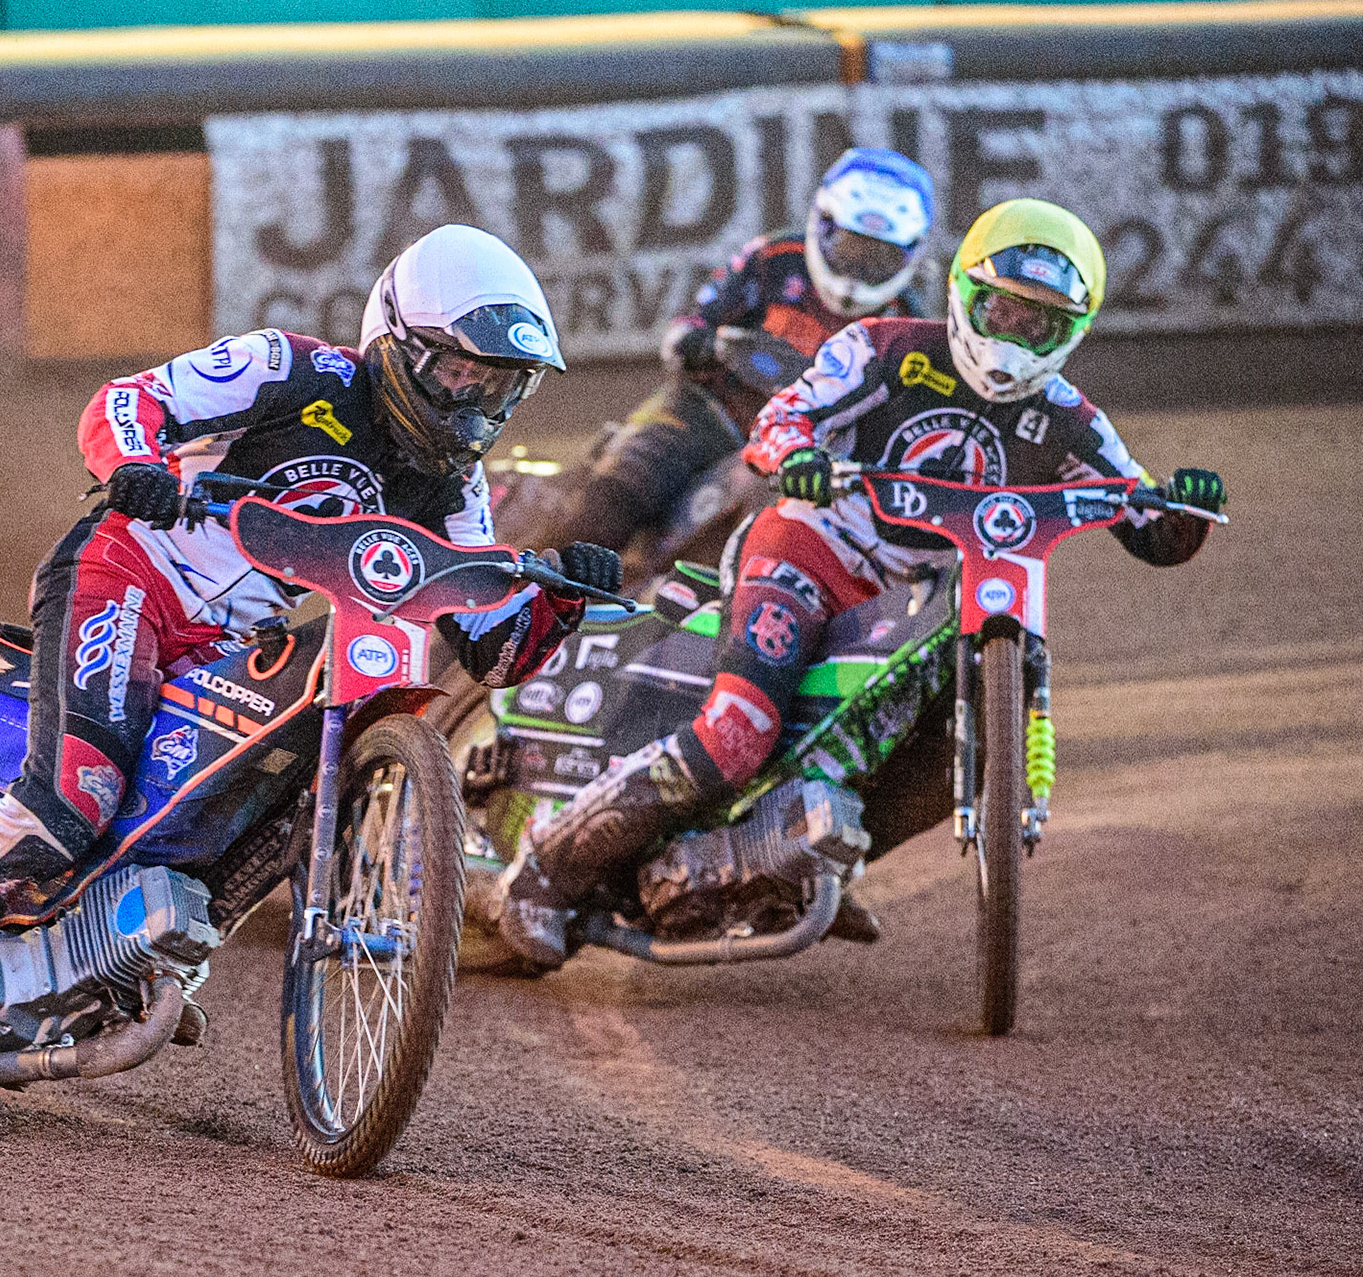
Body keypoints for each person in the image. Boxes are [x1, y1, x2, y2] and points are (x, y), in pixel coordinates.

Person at [0, 224, 622, 1098]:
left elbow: (492, 637)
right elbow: (128, 402)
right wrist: (136, 465)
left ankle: (113, 948)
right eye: (458, 374)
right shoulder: (292, 370)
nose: (472, 406)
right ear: (398, 343)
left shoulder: (456, 487)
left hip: (224, 643)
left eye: (498, 388)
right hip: (127, 573)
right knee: (74, 796)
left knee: (270, 795)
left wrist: (561, 594)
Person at [491, 198, 1228, 970]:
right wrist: (795, 454)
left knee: (958, 747)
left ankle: (808, 862)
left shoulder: (1073, 420)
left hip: (934, 600)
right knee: (739, 730)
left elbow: (1152, 528)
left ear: (1073, 328)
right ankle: (545, 870)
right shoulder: (880, 347)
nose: (1012, 335)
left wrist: (1190, 508)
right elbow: (784, 417)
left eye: (1037, 323)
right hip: (812, 549)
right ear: (964, 292)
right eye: (1001, 309)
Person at [540, 148, 936, 562]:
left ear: (909, 255)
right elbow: (686, 329)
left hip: (801, 454)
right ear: (823, 227)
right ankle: (550, 585)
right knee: (623, 486)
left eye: (878, 257)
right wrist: (703, 343)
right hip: (705, 414)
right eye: (851, 248)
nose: (858, 270)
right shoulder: (772, 259)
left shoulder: (907, 324)